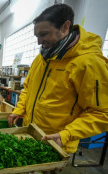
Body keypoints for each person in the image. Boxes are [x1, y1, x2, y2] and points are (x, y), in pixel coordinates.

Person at [8, 3, 108, 154]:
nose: (39, 42)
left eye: (44, 34)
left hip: (56, 143)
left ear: (65, 27)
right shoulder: (42, 58)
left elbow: (102, 113)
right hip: (31, 135)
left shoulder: (88, 63)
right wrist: (19, 109)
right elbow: (28, 88)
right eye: (37, 36)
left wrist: (65, 135)